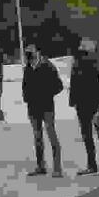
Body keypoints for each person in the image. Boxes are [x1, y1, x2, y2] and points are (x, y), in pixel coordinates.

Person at [70, 38, 99, 175]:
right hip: (87, 103)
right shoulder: (84, 63)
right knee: (93, 135)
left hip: (91, 103)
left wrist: (73, 101)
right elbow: (74, 83)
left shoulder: (93, 64)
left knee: (96, 135)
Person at [22, 44, 65, 177]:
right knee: (37, 137)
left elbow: (59, 86)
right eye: (27, 53)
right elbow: (25, 86)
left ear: (38, 52)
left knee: (51, 135)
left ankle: (57, 168)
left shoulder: (48, 66)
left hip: (46, 106)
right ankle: (41, 166)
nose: (29, 55)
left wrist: (45, 93)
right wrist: (26, 98)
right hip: (33, 108)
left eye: (31, 53)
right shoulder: (28, 68)